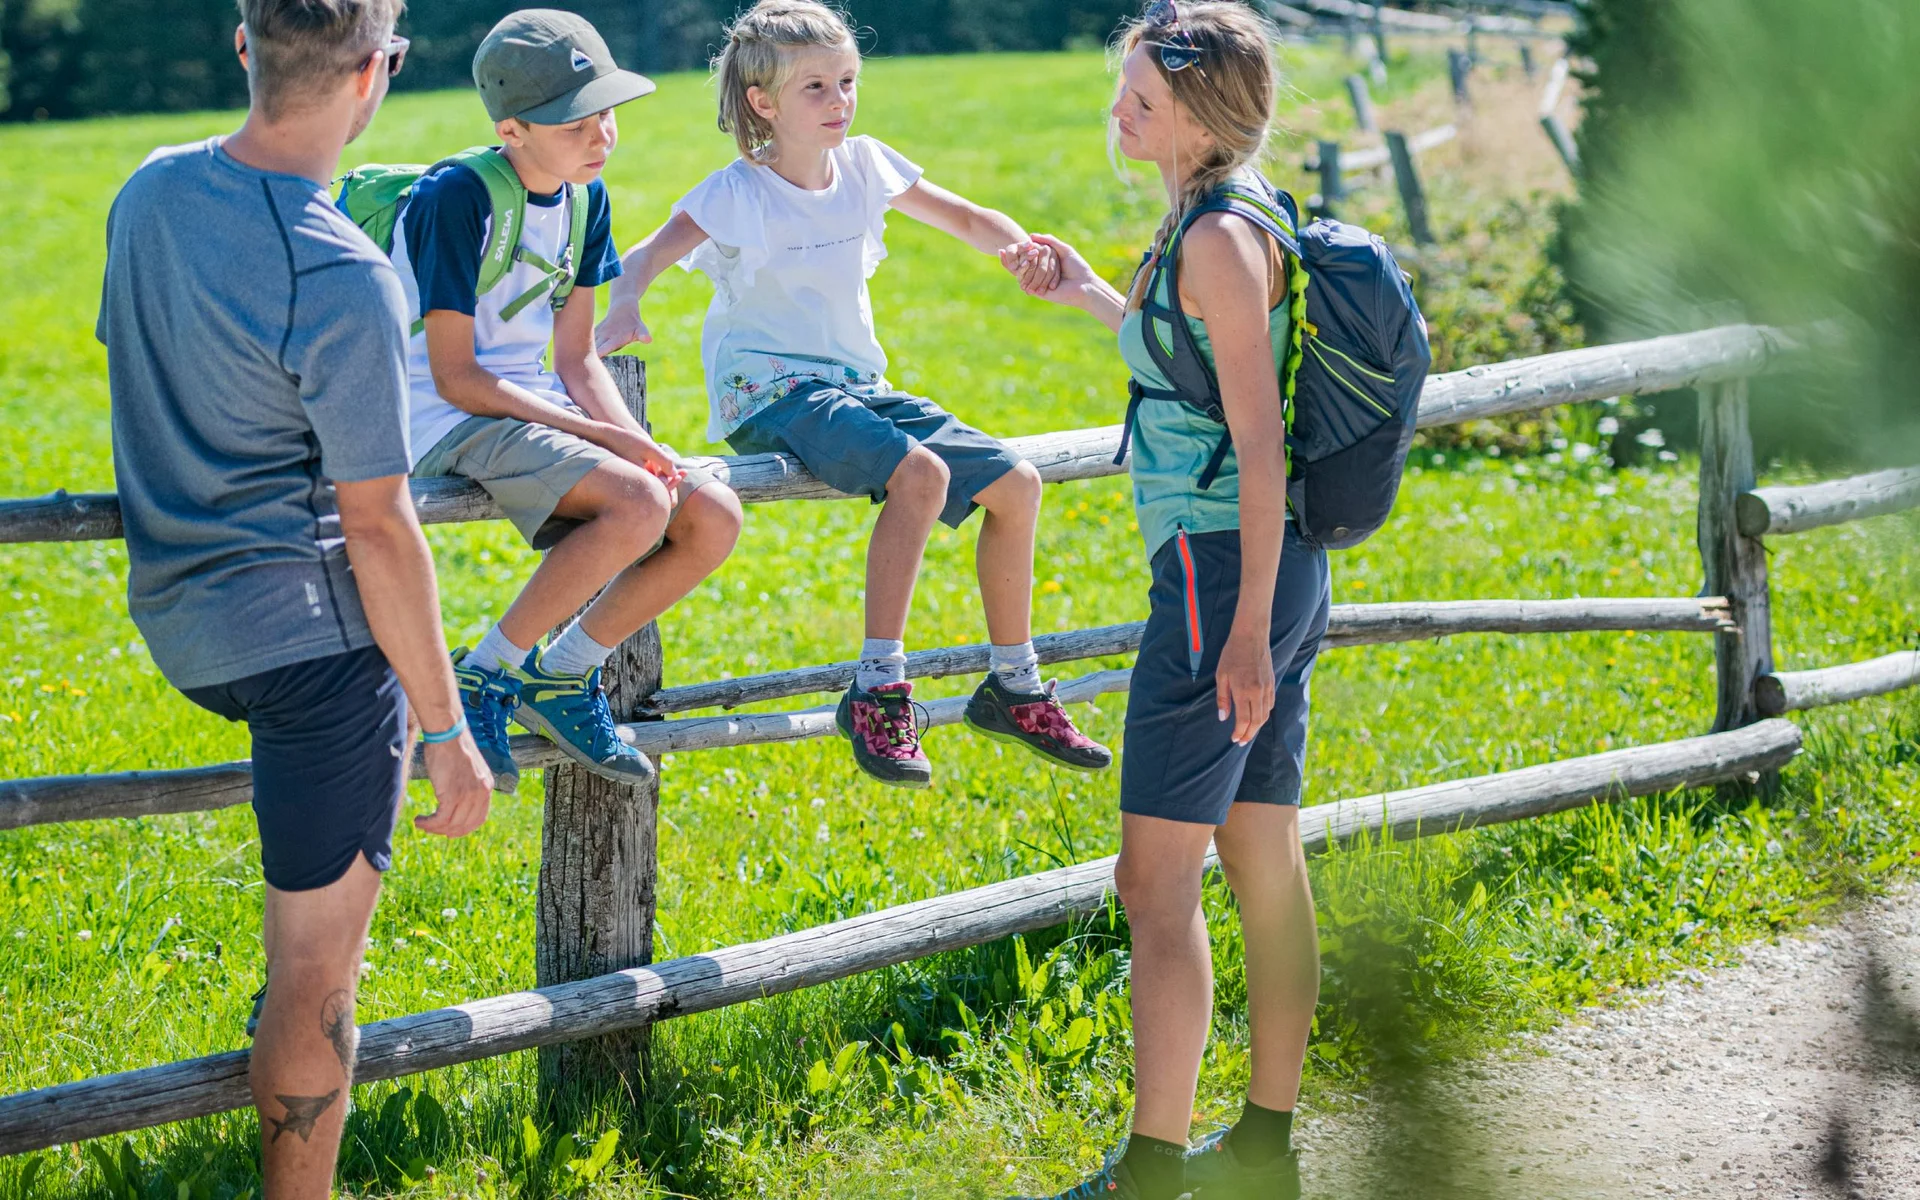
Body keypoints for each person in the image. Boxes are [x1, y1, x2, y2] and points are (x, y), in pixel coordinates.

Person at [95, 0, 494, 1194]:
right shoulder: (340, 271)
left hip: (178, 620)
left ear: (243, 49)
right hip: (311, 655)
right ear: (376, 72)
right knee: (318, 980)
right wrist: (446, 729)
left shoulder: (149, 193)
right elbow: (377, 519)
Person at [593, 0, 1110, 790]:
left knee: (1018, 483)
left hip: (857, 385)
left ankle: (1015, 682)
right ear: (763, 103)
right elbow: (642, 257)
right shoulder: (739, 190)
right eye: (816, 89)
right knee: (923, 474)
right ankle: (877, 687)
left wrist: (1024, 250)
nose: (840, 102)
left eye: (847, 82)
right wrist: (626, 303)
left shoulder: (867, 164)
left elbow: (969, 219)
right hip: (769, 389)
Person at [1008, 4, 1326, 1198]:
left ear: (1202, 113)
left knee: (1154, 885)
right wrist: (1094, 293)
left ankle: (1152, 1168)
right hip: (1261, 571)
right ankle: (1263, 1150)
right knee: (1261, 858)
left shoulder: (1218, 241)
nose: (1119, 110)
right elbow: (1184, 367)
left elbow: (1257, 443)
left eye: (1141, 96)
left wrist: (1241, 628)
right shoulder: (1222, 215)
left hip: (1219, 576)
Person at [397, 10, 742, 792]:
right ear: (512, 128)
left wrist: (643, 446)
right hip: (446, 417)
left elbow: (579, 355)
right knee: (636, 503)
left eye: (607, 114)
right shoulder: (455, 198)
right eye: (575, 123)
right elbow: (455, 377)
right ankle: (482, 675)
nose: (601, 136)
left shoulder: (588, 201)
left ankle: (560, 676)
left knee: (712, 512)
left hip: (531, 406)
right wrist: (608, 445)